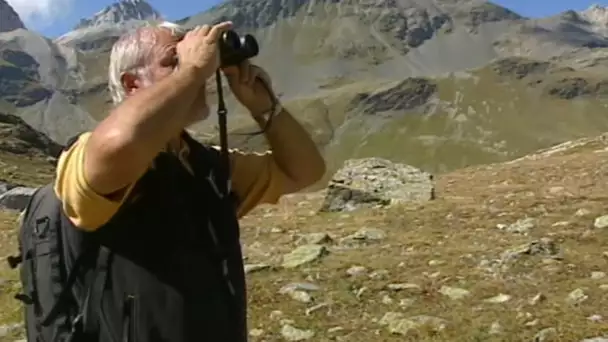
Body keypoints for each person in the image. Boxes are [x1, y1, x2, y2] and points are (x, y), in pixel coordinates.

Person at [22, 20, 325, 342]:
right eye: (173, 60)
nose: (201, 72)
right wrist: (191, 70)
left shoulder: (202, 164)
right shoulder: (92, 157)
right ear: (132, 84)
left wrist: (263, 105)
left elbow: (303, 171)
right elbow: (116, 143)